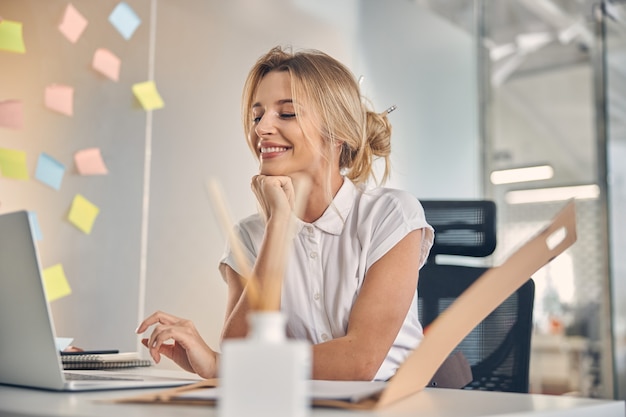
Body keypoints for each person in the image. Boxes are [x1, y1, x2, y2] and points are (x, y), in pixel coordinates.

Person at [136, 45, 434, 382]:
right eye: (256, 115)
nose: (262, 128)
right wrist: (278, 226)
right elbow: (239, 354)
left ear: (338, 133)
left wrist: (235, 366)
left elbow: (359, 360)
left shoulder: (390, 216)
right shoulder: (249, 236)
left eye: (287, 113)